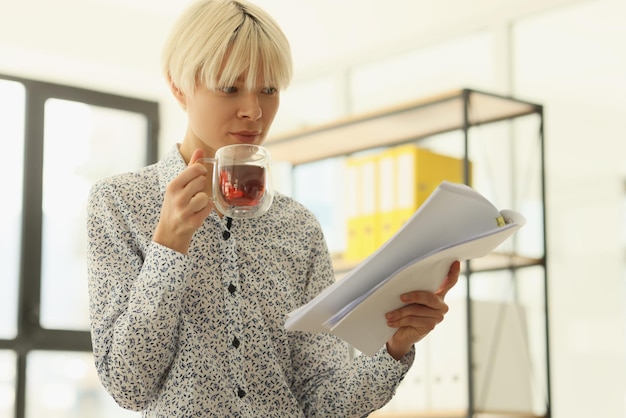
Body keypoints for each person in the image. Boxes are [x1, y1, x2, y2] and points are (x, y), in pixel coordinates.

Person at [86, 0, 460, 417]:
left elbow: (324, 401)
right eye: (230, 88)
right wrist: (169, 247)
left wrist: (396, 346)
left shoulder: (298, 227)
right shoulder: (119, 204)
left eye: (268, 89)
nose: (254, 111)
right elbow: (129, 386)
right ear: (179, 86)